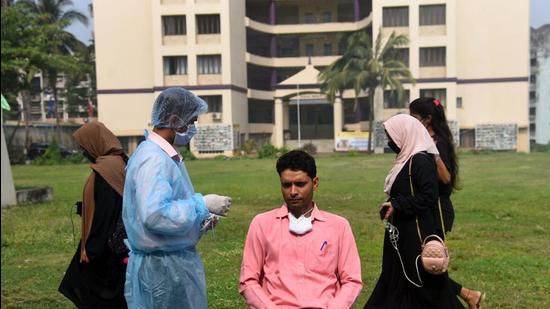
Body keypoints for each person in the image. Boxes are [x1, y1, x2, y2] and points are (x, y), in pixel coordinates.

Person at [122, 87, 232, 309]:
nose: (192, 129)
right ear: (174, 119)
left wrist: (198, 223)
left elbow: (164, 210)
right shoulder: (153, 160)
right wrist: (201, 204)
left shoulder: (161, 155)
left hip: (168, 261)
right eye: (191, 122)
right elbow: (154, 215)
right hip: (163, 270)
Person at [240, 150, 363, 308]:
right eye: (286, 185)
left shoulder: (338, 226)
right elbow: (248, 281)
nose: (293, 192)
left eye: (300, 184)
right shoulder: (262, 224)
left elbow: (352, 281)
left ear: (315, 183)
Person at [364, 114, 464, 309]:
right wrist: (391, 205)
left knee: (421, 282)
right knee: (398, 278)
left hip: (415, 232)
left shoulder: (420, 160)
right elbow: (406, 192)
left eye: (392, 136)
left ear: (405, 134)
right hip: (400, 231)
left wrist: (399, 205)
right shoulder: (405, 160)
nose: (390, 142)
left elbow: (429, 195)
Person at [410, 97, 484, 309]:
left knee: (431, 263)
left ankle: (467, 294)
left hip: (438, 210)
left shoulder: (438, 143)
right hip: (423, 208)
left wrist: (432, 153)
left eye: (414, 116)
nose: (411, 120)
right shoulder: (422, 139)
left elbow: (446, 178)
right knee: (422, 262)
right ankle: (468, 295)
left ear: (427, 119)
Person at [59, 121, 129, 308]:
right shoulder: (120, 161)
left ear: (95, 142)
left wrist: (91, 250)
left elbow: (105, 214)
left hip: (106, 249)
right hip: (120, 246)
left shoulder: (105, 171)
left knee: (93, 292)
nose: (84, 151)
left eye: (84, 146)